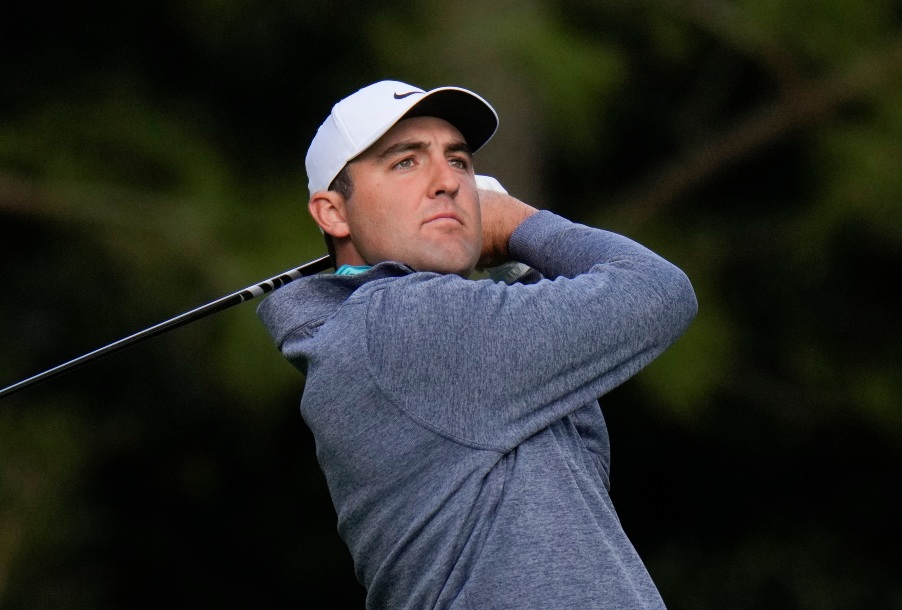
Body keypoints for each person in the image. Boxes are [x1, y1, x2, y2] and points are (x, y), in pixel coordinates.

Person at [256, 80, 698, 609]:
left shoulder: (403, 338)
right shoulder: (398, 324)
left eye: (459, 161)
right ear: (332, 212)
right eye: (406, 162)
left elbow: (577, 439)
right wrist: (520, 226)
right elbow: (658, 291)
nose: (447, 182)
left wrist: (514, 264)